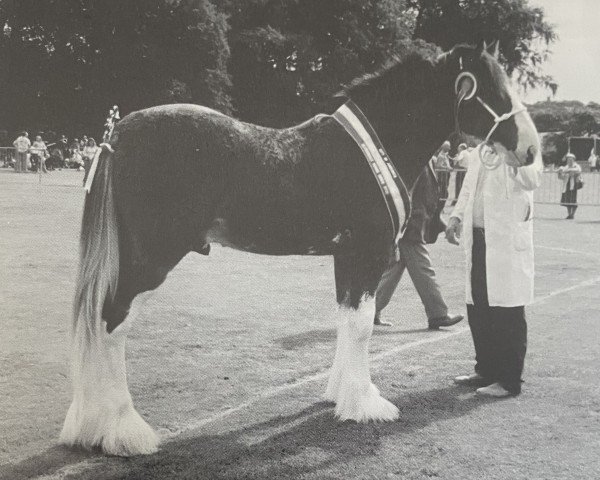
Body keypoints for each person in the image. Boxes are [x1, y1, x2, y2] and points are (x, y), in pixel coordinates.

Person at [446, 146, 542, 398]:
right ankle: (486, 370)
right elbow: (468, 189)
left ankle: (509, 380)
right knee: (478, 308)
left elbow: (532, 179)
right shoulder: (479, 151)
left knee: (507, 311)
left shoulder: (524, 147)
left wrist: (512, 154)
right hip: (478, 240)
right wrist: (455, 217)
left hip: (505, 243)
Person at [374, 160, 464, 330]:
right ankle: (438, 314)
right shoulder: (418, 159)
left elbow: (426, 200)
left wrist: (442, 224)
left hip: (412, 224)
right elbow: (405, 196)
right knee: (423, 269)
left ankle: (369, 309)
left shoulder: (426, 158)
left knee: (393, 270)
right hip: (410, 226)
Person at [557, 153, 582, 219]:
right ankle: (569, 214)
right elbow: (561, 177)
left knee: (573, 200)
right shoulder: (566, 166)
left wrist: (568, 170)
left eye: (571, 160)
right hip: (567, 185)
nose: (569, 161)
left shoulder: (576, 166)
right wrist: (559, 173)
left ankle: (572, 214)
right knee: (567, 200)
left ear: (574, 160)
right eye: (568, 160)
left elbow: (579, 170)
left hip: (574, 185)